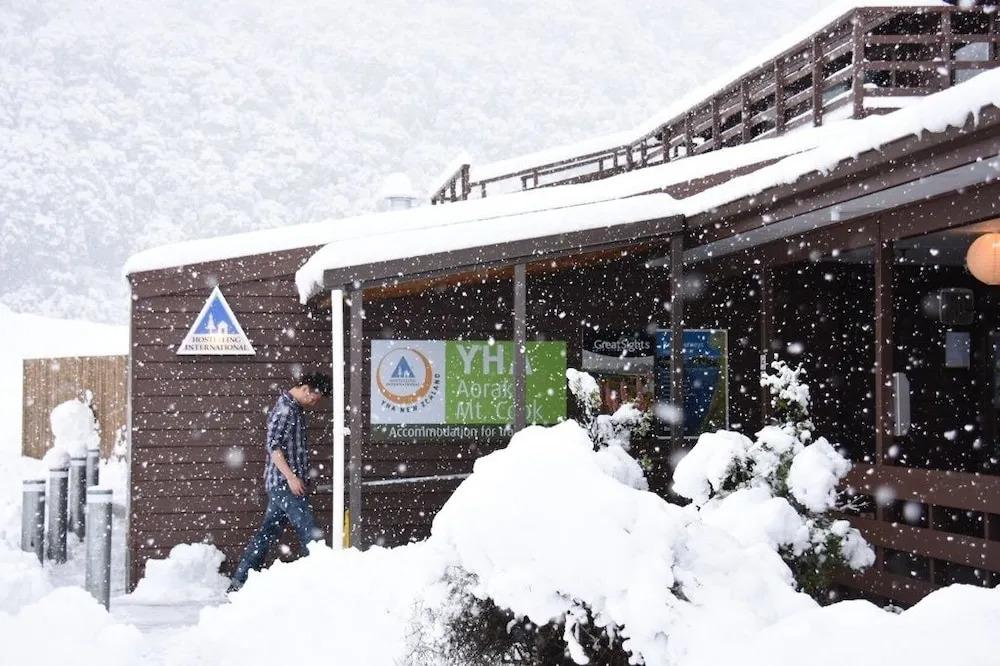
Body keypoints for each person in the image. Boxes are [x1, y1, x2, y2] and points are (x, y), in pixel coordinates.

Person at [229, 371, 332, 592]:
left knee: (266, 535)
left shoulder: (294, 409)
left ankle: (238, 584)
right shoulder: (285, 410)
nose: (315, 403)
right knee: (310, 531)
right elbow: (273, 447)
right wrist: (292, 477)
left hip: (283, 484)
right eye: (315, 398)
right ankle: (323, 584)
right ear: (306, 389)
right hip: (284, 484)